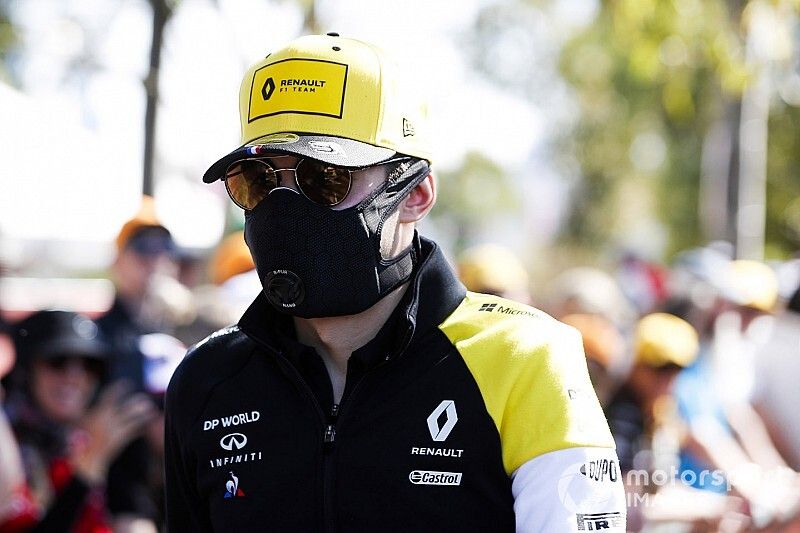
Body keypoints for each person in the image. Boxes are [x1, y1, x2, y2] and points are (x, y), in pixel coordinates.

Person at [164, 33, 625, 532]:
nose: (282, 207)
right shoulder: (206, 380)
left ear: (416, 195)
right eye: (257, 180)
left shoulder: (526, 359)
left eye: (324, 178)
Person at [1, 310, 155, 532]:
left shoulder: (98, 436)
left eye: (89, 365)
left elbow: (131, 515)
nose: (75, 377)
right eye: (58, 362)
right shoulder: (8, 442)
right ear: (25, 371)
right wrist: (88, 468)